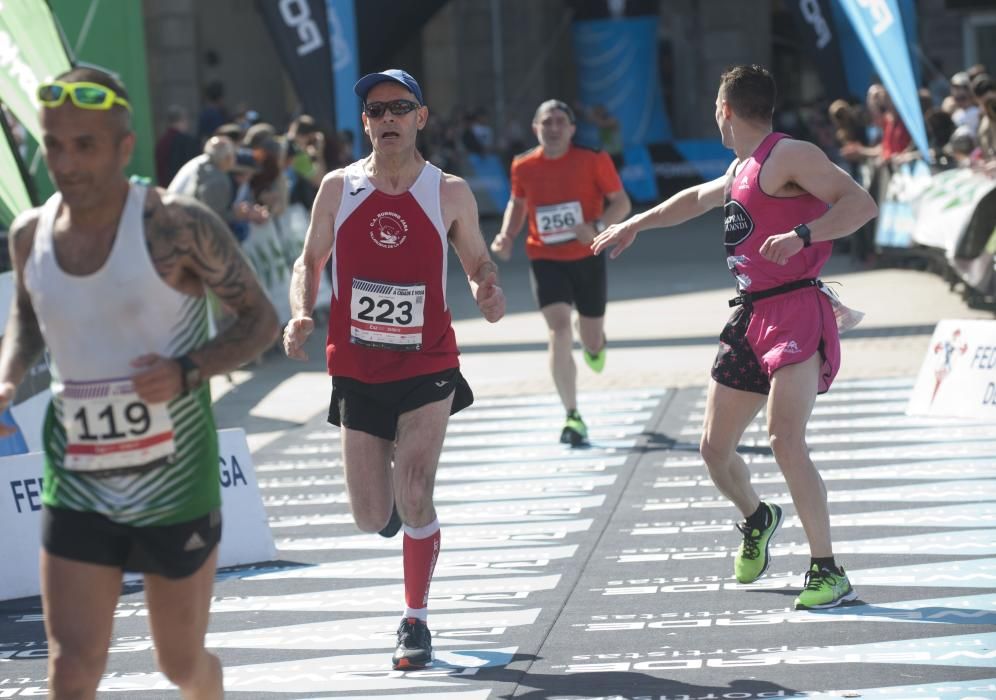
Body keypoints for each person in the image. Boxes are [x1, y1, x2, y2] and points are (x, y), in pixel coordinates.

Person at [0, 66, 279, 698]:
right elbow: (27, 311)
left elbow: (259, 318)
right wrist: (9, 372)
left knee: (179, 664)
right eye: (54, 144)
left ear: (125, 147)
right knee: (72, 669)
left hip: (173, 480)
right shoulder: (29, 236)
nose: (65, 163)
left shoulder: (176, 227)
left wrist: (187, 370)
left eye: (86, 145)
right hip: (77, 480)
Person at [592, 64, 877, 610]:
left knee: (783, 439)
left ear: (723, 110)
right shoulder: (742, 165)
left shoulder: (787, 155)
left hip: (795, 311)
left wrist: (803, 234)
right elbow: (695, 199)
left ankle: (828, 570)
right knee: (713, 449)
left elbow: (860, 204)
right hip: (750, 319)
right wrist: (635, 224)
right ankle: (757, 517)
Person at [282, 68, 505, 670]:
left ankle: (415, 620)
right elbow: (309, 261)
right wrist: (301, 312)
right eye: (376, 111)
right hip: (356, 366)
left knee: (414, 491)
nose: (387, 119)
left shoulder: (449, 191)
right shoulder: (337, 187)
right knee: (368, 515)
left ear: (421, 118)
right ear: (365, 123)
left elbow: (478, 261)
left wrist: (487, 288)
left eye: (399, 108)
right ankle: (402, 527)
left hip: (428, 360)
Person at [490, 99, 631, 445]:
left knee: (591, 338)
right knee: (558, 330)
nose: (552, 128)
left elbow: (622, 203)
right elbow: (518, 202)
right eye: (545, 122)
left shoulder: (593, 158)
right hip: (545, 257)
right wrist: (507, 236)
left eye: (559, 122)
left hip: (588, 255)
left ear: (571, 129)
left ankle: (595, 345)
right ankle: (572, 413)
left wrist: (596, 225)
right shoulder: (523, 165)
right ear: (535, 129)